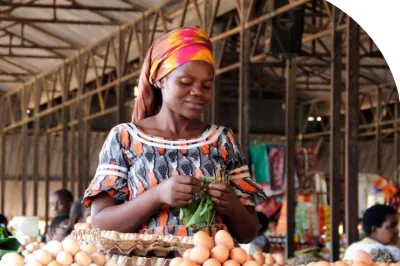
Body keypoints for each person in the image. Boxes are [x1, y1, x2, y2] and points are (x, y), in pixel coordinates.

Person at [82, 27, 267, 243]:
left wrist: (232, 205)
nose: (198, 91)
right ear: (160, 80)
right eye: (186, 83)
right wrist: (157, 195)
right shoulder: (125, 138)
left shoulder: (222, 140)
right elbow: (101, 223)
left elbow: (249, 233)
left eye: (206, 85)